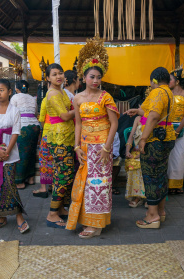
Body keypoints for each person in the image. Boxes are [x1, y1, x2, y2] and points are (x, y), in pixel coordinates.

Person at [66, 39, 119, 238]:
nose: (95, 80)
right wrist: (76, 147)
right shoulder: (77, 98)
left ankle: (97, 225)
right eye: (92, 77)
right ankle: (88, 220)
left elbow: (114, 124)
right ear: (84, 77)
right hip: (86, 146)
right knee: (86, 183)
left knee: (100, 184)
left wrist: (107, 149)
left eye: (98, 77)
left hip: (102, 146)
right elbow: (78, 124)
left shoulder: (105, 97)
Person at [125, 67, 178, 229]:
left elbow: (154, 116)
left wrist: (143, 139)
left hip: (154, 139)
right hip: (167, 137)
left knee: (151, 176)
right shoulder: (168, 92)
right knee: (161, 175)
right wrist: (138, 111)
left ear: (153, 80)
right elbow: (150, 111)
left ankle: (152, 216)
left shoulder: (157, 92)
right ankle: (160, 212)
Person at [0, 79, 29, 233]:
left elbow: (16, 132)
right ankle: (1, 217)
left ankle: (19, 216)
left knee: (9, 183)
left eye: (2, 90)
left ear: (10, 92)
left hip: (11, 151)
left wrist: (7, 151)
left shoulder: (14, 111)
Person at [44, 63, 75, 229]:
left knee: (64, 173)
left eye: (60, 73)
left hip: (66, 136)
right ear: (48, 78)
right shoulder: (53, 94)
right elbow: (64, 115)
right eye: (54, 74)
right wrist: (80, 107)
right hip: (59, 138)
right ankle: (52, 214)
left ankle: (61, 208)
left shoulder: (61, 91)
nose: (58, 76)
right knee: (63, 174)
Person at [11, 80, 41, 189]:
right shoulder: (33, 98)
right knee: (31, 153)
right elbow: (36, 113)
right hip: (34, 127)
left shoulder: (15, 97)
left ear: (16, 89)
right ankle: (31, 178)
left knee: (21, 154)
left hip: (22, 127)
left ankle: (20, 181)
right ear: (27, 89)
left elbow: (12, 113)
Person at [167, 67, 184, 195]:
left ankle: (177, 184)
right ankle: (168, 184)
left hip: (182, 126)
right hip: (167, 127)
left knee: (179, 155)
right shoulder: (167, 94)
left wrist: (178, 130)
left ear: (177, 81)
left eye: (170, 79)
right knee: (169, 155)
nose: (168, 81)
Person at [32, 96, 52, 198]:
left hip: (48, 133)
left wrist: (46, 129)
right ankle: (53, 186)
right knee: (56, 160)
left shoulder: (46, 99)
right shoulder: (66, 97)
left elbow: (42, 118)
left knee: (44, 160)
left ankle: (43, 188)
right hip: (62, 134)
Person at [125, 116, 146, 207]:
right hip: (136, 150)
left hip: (148, 151)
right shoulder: (138, 118)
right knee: (132, 163)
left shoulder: (153, 117)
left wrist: (142, 154)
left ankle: (147, 197)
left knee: (143, 165)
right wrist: (127, 150)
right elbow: (131, 136)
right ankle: (137, 196)